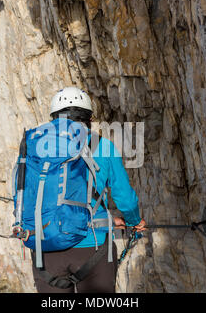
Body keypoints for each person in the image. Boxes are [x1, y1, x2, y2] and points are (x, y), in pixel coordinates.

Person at [30, 87, 147, 293]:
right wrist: (133, 221)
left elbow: (27, 194)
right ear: (89, 118)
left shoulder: (36, 148)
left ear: (54, 118)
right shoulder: (103, 147)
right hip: (93, 246)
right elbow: (125, 200)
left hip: (46, 246)